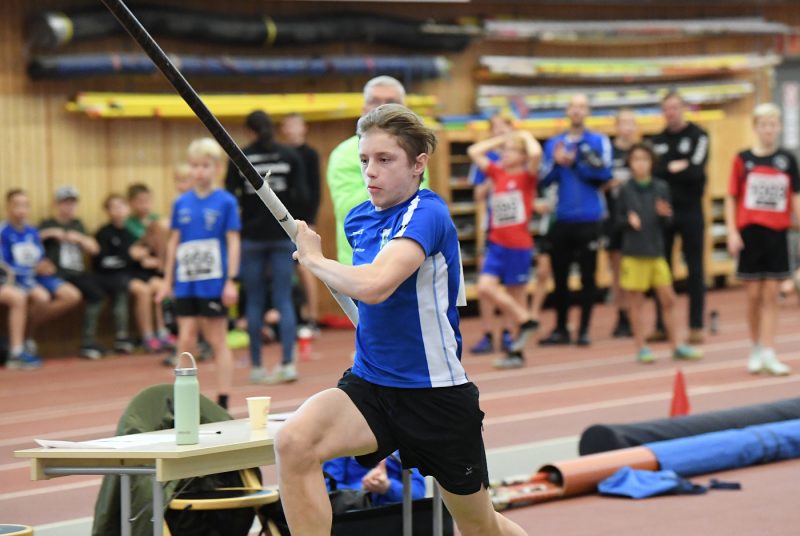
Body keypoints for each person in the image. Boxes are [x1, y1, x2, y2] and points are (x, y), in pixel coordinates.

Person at [276, 104, 527, 536]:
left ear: (418, 165)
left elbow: (376, 285)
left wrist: (315, 260)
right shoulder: (358, 219)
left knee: (479, 527)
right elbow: (362, 287)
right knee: (294, 441)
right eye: (364, 160)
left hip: (436, 398)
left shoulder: (428, 214)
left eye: (384, 159)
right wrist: (326, 265)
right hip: (372, 384)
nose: (370, 171)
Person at [225, 110, 308, 385]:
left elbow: (230, 197)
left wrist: (247, 217)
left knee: (255, 300)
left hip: (251, 236)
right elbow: (302, 195)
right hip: (282, 233)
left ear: (250, 131)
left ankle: (257, 367)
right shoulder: (289, 156)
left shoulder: (240, 156)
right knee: (284, 299)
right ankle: (288, 364)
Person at [157, 138, 240, 410]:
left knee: (217, 339)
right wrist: (167, 281)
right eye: (194, 166)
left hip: (213, 281)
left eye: (205, 166)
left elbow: (233, 241)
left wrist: (231, 280)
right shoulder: (181, 203)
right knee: (186, 337)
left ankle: (223, 399)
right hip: (186, 281)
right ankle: (185, 397)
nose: (199, 171)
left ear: (216, 168)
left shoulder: (226, 202)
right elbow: (173, 242)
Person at [725, 103, 800, 376]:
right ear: (756, 128)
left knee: (771, 295)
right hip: (750, 234)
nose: (768, 130)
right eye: (764, 125)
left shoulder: (787, 160)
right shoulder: (742, 159)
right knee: (753, 296)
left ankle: (769, 350)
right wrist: (732, 231)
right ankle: (755, 346)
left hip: (776, 234)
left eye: (773, 125)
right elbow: (732, 197)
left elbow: (795, 197)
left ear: (779, 128)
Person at [327, 75, 430, 266]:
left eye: (391, 102)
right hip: (360, 264)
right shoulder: (343, 154)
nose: (382, 108)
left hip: (408, 260)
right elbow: (348, 210)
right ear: (363, 110)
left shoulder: (413, 150)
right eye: (364, 160)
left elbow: (419, 202)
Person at [616, 143, 702, 364]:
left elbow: (668, 221)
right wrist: (627, 221)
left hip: (656, 252)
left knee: (669, 299)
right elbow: (616, 221)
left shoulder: (661, 187)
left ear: (651, 162)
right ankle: (641, 346)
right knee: (636, 302)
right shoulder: (625, 189)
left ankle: (677, 345)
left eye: (644, 159)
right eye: (636, 159)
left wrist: (664, 215)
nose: (640, 164)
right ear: (630, 163)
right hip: (634, 253)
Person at [539, 93, 613, 347]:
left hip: (590, 218)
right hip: (562, 218)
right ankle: (561, 328)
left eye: (582, 106)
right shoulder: (554, 143)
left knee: (588, 277)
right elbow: (543, 179)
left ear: (587, 111)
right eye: (573, 106)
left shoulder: (598, 141)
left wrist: (575, 163)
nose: (577, 111)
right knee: (559, 277)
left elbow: (605, 174)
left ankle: (584, 330)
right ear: (567, 110)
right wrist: (557, 163)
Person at [467, 130, 542, 369]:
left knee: (516, 298)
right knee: (485, 287)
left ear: (522, 156)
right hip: (496, 243)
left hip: (518, 246)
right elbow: (473, 151)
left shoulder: (527, 177)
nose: (504, 154)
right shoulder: (497, 173)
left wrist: (525, 135)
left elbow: (536, 153)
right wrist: (503, 138)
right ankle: (527, 319)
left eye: (511, 151)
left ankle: (516, 351)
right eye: (504, 150)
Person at [651, 90, 710, 345]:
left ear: (683, 108)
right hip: (664, 212)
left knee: (695, 268)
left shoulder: (699, 135)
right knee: (661, 270)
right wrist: (674, 167)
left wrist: (669, 170)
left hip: (691, 210)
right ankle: (662, 325)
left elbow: (696, 172)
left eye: (675, 108)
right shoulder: (657, 140)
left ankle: (696, 325)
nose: (671, 113)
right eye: (667, 109)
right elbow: (654, 172)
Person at [0, 189, 81, 368]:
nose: (21, 210)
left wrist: (45, 265)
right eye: (17, 205)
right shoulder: (3, 231)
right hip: (13, 280)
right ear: (8, 207)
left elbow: (39, 257)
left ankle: (25, 336)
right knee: (33, 297)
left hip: (33, 278)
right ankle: (16, 351)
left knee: (65, 295)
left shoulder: (32, 231)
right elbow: (3, 267)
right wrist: (30, 269)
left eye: (25, 206)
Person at [467, 111, 519, 354]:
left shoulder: (520, 157)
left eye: (504, 127)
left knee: (512, 282)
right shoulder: (485, 161)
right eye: (495, 128)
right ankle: (488, 333)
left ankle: (509, 332)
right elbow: (478, 196)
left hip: (515, 228)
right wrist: (493, 177)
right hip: (491, 227)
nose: (500, 131)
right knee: (486, 282)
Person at [39, 185, 107, 359]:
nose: (69, 207)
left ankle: (88, 342)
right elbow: (32, 240)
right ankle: (31, 326)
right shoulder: (48, 223)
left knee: (97, 294)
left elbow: (95, 249)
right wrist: (49, 233)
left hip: (77, 273)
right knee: (70, 295)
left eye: (72, 203)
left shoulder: (78, 225)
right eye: (65, 203)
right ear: (57, 204)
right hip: (56, 273)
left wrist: (80, 238)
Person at [280, 112, 322, 333]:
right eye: (288, 126)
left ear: (303, 128)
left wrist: (311, 220)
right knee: (290, 268)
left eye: (295, 125)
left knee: (307, 267)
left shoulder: (310, 154)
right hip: (284, 218)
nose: (292, 130)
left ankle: (312, 316)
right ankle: (296, 315)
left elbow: (315, 189)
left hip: (304, 219)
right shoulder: (283, 154)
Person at [93, 194, 144, 355]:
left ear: (128, 209)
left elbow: (137, 257)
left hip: (128, 274)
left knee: (151, 286)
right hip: (107, 276)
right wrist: (129, 257)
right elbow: (103, 262)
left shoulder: (130, 233)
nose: (119, 210)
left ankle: (156, 333)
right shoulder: (104, 233)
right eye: (114, 207)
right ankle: (123, 336)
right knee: (133, 289)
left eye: (121, 206)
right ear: (107, 211)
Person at [605, 108, 639, 338]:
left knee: (634, 270)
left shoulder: (640, 152)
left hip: (636, 217)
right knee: (617, 270)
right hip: (613, 217)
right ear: (616, 126)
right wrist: (613, 184)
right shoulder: (609, 151)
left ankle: (636, 315)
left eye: (630, 123)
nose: (627, 127)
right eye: (623, 123)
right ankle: (622, 316)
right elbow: (599, 184)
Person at [126, 183, 171, 352]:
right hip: (134, 271)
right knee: (145, 291)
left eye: (147, 200)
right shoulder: (128, 223)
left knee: (160, 288)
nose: (144, 205)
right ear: (131, 203)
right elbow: (133, 251)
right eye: (140, 201)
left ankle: (163, 332)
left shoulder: (157, 221)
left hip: (154, 270)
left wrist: (158, 260)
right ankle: (148, 336)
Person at [322, 453, 425, 507]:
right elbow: (329, 492)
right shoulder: (342, 444)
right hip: (355, 518)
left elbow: (419, 493)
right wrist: (365, 488)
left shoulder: (402, 447)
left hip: (396, 520)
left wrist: (388, 486)